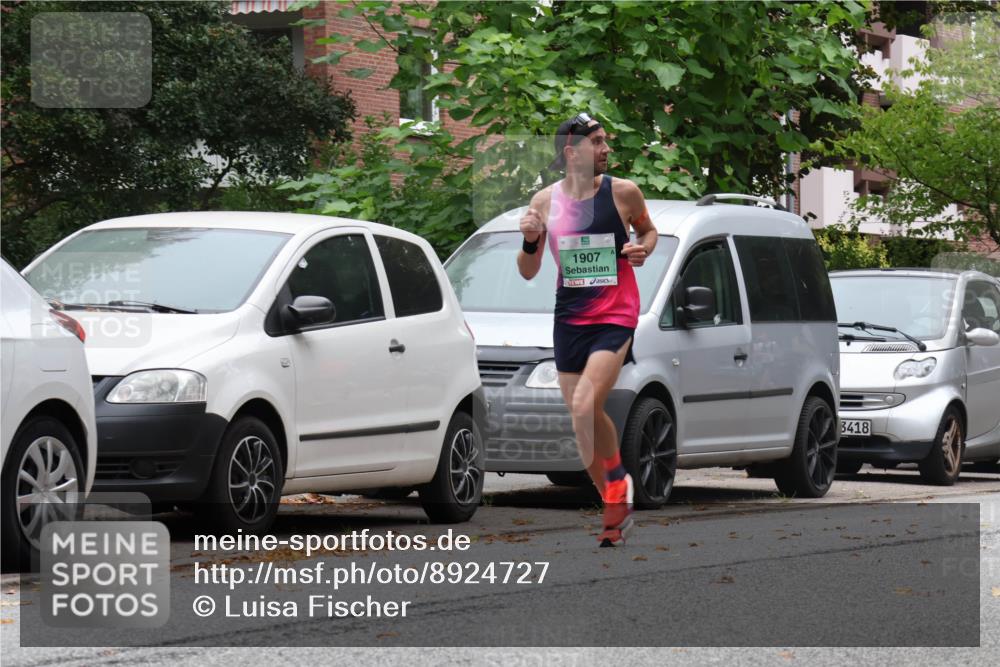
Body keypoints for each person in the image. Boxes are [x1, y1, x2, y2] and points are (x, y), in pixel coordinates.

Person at [517, 112, 657, 546]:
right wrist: (527, 239)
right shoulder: (544, 202)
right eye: (597, 142)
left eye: (605, 141)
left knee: (583, 405)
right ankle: (614, 501)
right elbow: (527, 271)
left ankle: (617, 494)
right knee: (584, 422)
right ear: (571, 151)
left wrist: (642, 249)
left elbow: (649, 232)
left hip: (616, 314)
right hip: (570, 317)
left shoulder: (623, 192)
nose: (606, 149)